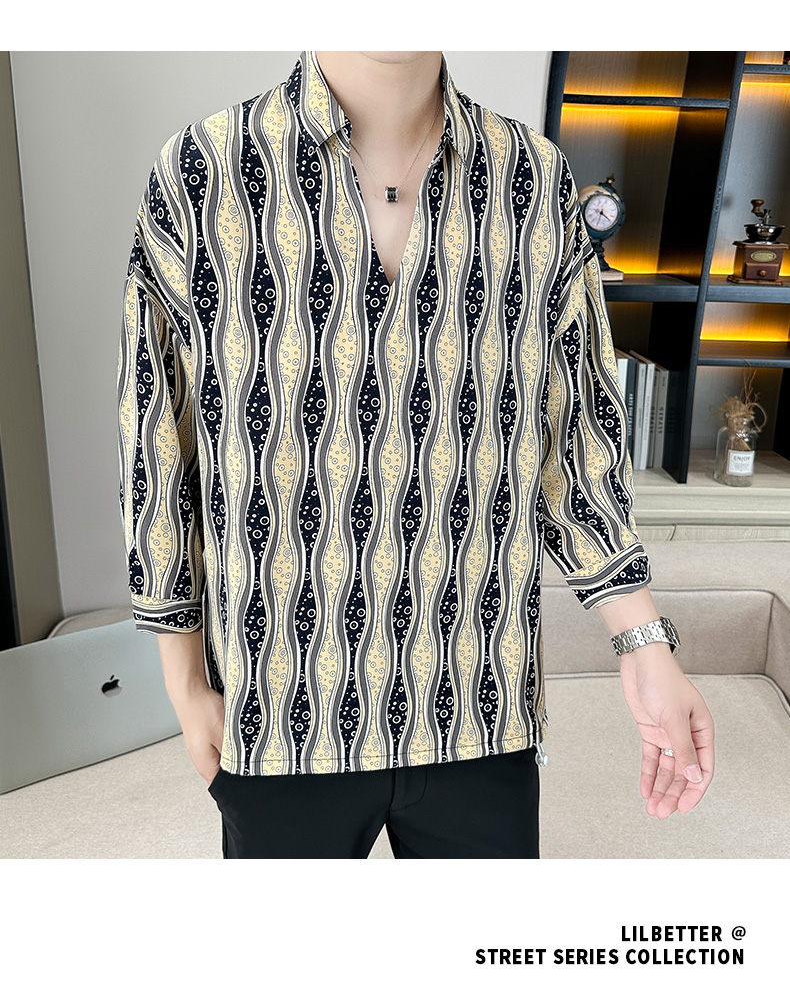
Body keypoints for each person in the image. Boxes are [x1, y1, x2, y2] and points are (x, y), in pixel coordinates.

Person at [116, 50, 715, 859]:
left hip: (479, 699)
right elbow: (156, 439)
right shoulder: (204, 171)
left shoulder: (532, 181)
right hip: (282, 704)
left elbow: (575, 440)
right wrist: (183, 679)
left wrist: (644, 643)